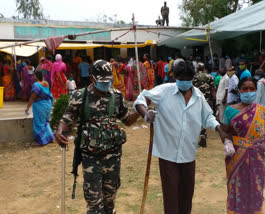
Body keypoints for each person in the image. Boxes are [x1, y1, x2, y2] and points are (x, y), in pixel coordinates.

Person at [134, 61, 229, 214]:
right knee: (171, 197)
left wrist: (220, 130)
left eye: (188, 79)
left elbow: (208, 117)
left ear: (192, 78)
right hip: (167, 154)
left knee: (186, 196)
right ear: (175, 77)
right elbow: (141, 99)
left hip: (188, 154)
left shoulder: (198, 96)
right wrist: (146, 114)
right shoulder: (164, 90)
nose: (184, 82)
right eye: (181, 79)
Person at [55, 60, 140, 214]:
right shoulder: (80, 96)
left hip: (113, 157)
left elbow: (127, 120)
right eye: (102, 81)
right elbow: (66, 120)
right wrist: (59, 132)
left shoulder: (117, 96)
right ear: (93, 79)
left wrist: (142, 108)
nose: (106, 84)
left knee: (110, 200)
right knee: (94, 203)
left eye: (109, 81)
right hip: (91, 159)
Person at [223, 77, 265, 214]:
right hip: (237, 158)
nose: (248, 91)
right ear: (239, 91)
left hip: (257, 159)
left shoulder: (262, 111)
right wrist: (227, 142)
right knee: (236, 189)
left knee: (255, 189)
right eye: (245, 89)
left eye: (251, 89)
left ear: (256, 90)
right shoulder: (230, 111)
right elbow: (225, 133)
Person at [25, 70, 54, 146]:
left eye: (34, 75)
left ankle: (42, 140)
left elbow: (33, 97)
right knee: (45, 122)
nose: (33, 77)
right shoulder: (46, 83)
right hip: (47, 104)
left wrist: (28, 107)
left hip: (40, 106)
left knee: (39, 123)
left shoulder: (36, 85)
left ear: (37, 76)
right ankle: (51, 138)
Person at [193, 62, 216, 147]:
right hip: (207, 100)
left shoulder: (193, 76)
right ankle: (203, 136)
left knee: (196, 117)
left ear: (197, 69)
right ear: (204, 68)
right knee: (205, 117)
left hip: (196, 100)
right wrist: (215, 100)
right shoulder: (210, 77)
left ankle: (196, 136)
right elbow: (213, 90)